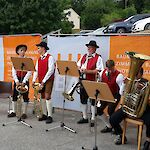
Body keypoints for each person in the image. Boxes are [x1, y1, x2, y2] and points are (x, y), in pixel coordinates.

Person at [110, 67, 150, 150]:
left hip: (141, 109)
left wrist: (142, 89)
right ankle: (121, 135)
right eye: (134, 72)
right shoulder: (129, 81)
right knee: (112, 119)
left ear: (141, 74)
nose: (135, 74)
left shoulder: (146, 82)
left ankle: (148, 140)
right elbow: (122, 93)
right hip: (129, 107)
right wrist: (124, 84)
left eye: (137, 73)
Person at [77, 40, 104, 127]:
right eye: (88, 47)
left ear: (94, 49)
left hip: (92, 82)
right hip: (83, 80)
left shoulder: (98, 58)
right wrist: (80, 68)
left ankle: (92, 118)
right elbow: (78, 64)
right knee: (83, 99)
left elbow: (99, 70)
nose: (88, 48)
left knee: (92, 100)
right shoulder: (84, 56)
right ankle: (85, 117)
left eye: (90, 47)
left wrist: (87, 71)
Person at [97, 59, 124, 133]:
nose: (110, 71)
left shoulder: (119, 76)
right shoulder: (102, 73)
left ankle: (116, 128)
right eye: (108, 69)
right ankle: (109, 126)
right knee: (98, 109)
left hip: (115, 95)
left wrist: (121, 103)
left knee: (110, 110)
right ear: (106, 67)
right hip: (105, 94)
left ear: (114, 66)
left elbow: (122, 90)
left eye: (111, 69)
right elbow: (100, 83)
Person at [32, 41, 55, 124]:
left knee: (47, 96)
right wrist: (33, 80)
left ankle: (50, 116)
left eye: (38, 48)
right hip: (41, 80)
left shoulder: (50, 57)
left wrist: (44, 81)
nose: (37, 50)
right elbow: (36, 70)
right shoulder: (39, 59)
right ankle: (44, 114)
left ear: (43, 48)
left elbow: (51, 70)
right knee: (42, 96)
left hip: (48, 80)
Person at [8, 44, 32, 119]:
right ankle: (14, 111)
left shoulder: (28, 60)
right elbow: (13, 71)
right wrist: (16, 81)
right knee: (14, 95)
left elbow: (30, 71)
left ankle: (24, 113)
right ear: (17, 52)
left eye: (24, 50)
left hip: (25, 80)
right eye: (21, 50)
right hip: (17, 80)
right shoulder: (15, 60)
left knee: (25, 96)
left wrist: (24, 81)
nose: (23, 52)